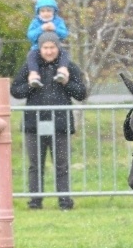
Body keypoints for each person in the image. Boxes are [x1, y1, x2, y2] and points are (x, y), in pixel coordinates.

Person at [11, 31, 87, 210]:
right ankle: (35, 202)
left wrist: (67, 83)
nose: (49, 51)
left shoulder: (69, 67)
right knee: (35, 166)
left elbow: (82, 93)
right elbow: (15, 91)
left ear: (58, 47)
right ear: (40, 48)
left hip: (60, 124)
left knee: (62, 166)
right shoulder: (30, 67)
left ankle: (65, 202)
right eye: (45, 47)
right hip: (33, 124)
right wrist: (30, 84)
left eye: (52, 47)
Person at [26, 0, 70, 89]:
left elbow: (64, 34)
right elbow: (30, 35)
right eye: (43, 11)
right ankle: (34, 76)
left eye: (49, 10)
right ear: (38, 12)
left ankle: (62, 71)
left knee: (64, 54)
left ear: (54, 11)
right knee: (31, 56)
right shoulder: (35, 22)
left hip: (56, 49)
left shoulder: (58, 21)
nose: (46, 13)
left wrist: (55, 29)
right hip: (37, 48)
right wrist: (41, 29)